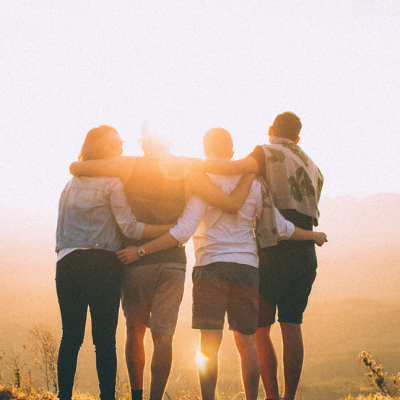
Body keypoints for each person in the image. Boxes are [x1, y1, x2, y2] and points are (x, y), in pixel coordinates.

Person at [117, 127, 327, 400]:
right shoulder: (253, 183)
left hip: (210, 268)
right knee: (247, 341)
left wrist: (142, 251)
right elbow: (279, 226)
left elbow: (182, 232)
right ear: (231, 151)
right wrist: (311, 235)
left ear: (206, 150)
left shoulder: (202, 183)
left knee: (209, 345)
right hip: (247, 269)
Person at [68, 123, 255, 400]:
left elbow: (77, 168)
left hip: (134, 260)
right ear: (170, 141)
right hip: (172, 263)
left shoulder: (127, 165)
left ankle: (137, 395)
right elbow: (228, 201)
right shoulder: (188, 170)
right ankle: (156, 397)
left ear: (144, 142)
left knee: (135, 330)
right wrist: (251, 168)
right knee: (163, 336)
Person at [55, 126, 174, 400]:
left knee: (70, 336)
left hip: (67, 263)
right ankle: (107, 396)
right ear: (97, 147)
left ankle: (64, 396)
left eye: (121, 142)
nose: (120, 148)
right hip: (102, 265)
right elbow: (131, 229)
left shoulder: (69, 184)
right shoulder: (112, 183)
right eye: (113, 144)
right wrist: (168, 228)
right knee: (104, 339)